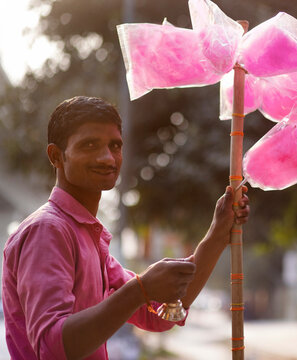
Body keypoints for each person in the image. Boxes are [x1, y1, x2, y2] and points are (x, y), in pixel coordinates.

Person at [1, 96, 250, 360]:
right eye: (89, 145)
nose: (107, 158)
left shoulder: (86, 235)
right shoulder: (48, 230)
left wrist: (218, 233)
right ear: (56, 156)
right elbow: (53, 348)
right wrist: (139, 290)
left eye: (115, 145)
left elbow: (162, 312)